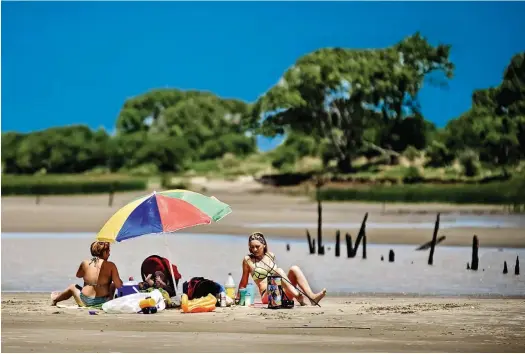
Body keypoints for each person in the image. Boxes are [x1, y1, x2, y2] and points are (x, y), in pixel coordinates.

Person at [236, 232, 326, 306]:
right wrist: (238, 297)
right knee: (278, 271)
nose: (254, 249)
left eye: (257, 246)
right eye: (252, 247)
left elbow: (282, 278)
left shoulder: (270, 255)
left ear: (264, 245)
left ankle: (312, 297)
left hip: (283, 294)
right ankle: (297, 296)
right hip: (268, 296)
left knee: (294, 268)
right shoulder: (248, 260)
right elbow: (244, 281)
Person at [50, 241, 123, 307]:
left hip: (85, 301)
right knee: (113, 285)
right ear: (104, 252)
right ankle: (109, 301)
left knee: (72, 287)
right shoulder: (111, 265)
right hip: (103, 302)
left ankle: (55, 299)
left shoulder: (85, 263)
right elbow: (119, 285)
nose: (109, 254)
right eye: (108, 251)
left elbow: (78, 275)